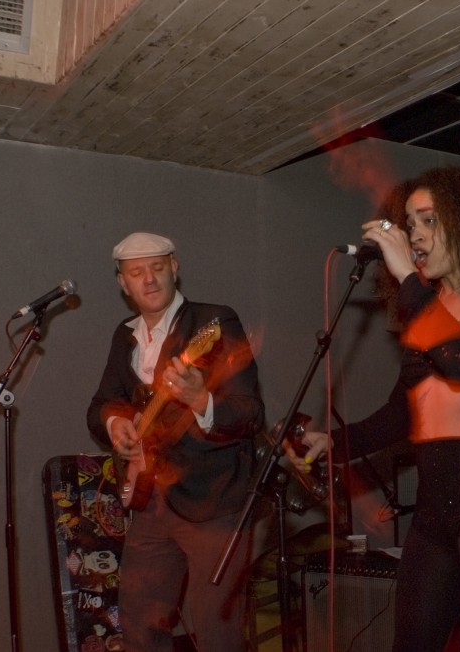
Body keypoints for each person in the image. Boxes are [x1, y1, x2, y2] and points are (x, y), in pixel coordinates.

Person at [289, 166, 460, 652]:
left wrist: (408, 278)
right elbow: (402, 414)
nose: (416, 235)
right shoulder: (425, 312)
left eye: (429, 220)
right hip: (434, 507)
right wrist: (335, 444)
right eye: (410, 224)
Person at [87, 231, 266, 652]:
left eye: (157, 268)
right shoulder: (124, 336)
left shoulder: (212, 322)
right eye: (136, 273)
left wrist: (200, 399)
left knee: (217, 631)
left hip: (214, 501)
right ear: (123, 283)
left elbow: (250, 412)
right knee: (139, 622)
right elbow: (100, 405)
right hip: (151, 500)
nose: (148, 279)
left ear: (175, 268)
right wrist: (116, 424)